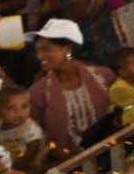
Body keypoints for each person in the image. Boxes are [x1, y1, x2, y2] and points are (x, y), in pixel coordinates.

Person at [26, 19, 115, 156]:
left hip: (114, 151)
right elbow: (37, 135)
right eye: (37, 51)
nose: (39, 56)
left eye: (46, 49)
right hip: (70, 164)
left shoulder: (103, 76)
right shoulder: (38, 92)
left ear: (67, 49)